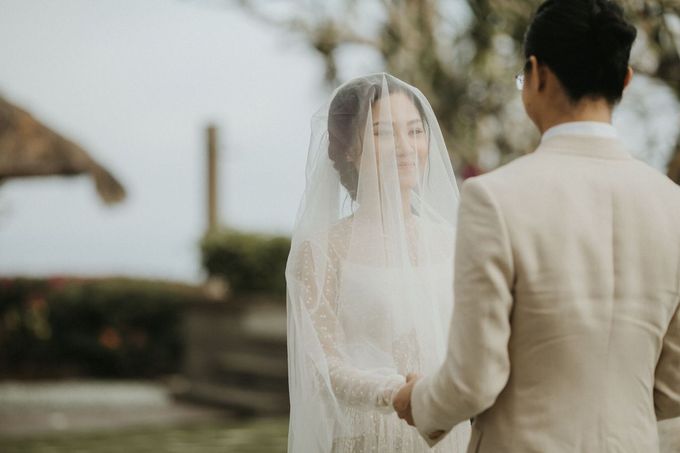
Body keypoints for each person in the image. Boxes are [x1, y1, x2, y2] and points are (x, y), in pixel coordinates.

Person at [394, 0, 680, 451]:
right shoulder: (673, 205)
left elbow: (474, 378)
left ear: (536, 73)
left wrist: (419, 401)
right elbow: (673, 387)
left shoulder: (495, 198)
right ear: (625, 79)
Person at [285, 73, 471, 452]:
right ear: (350, 148)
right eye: (384, 133)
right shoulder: (323, 250)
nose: (406, 147)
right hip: (367, 437)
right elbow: (322, 364)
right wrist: (396, 394)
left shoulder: (454, 241)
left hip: (450, 436)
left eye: (415, 131)